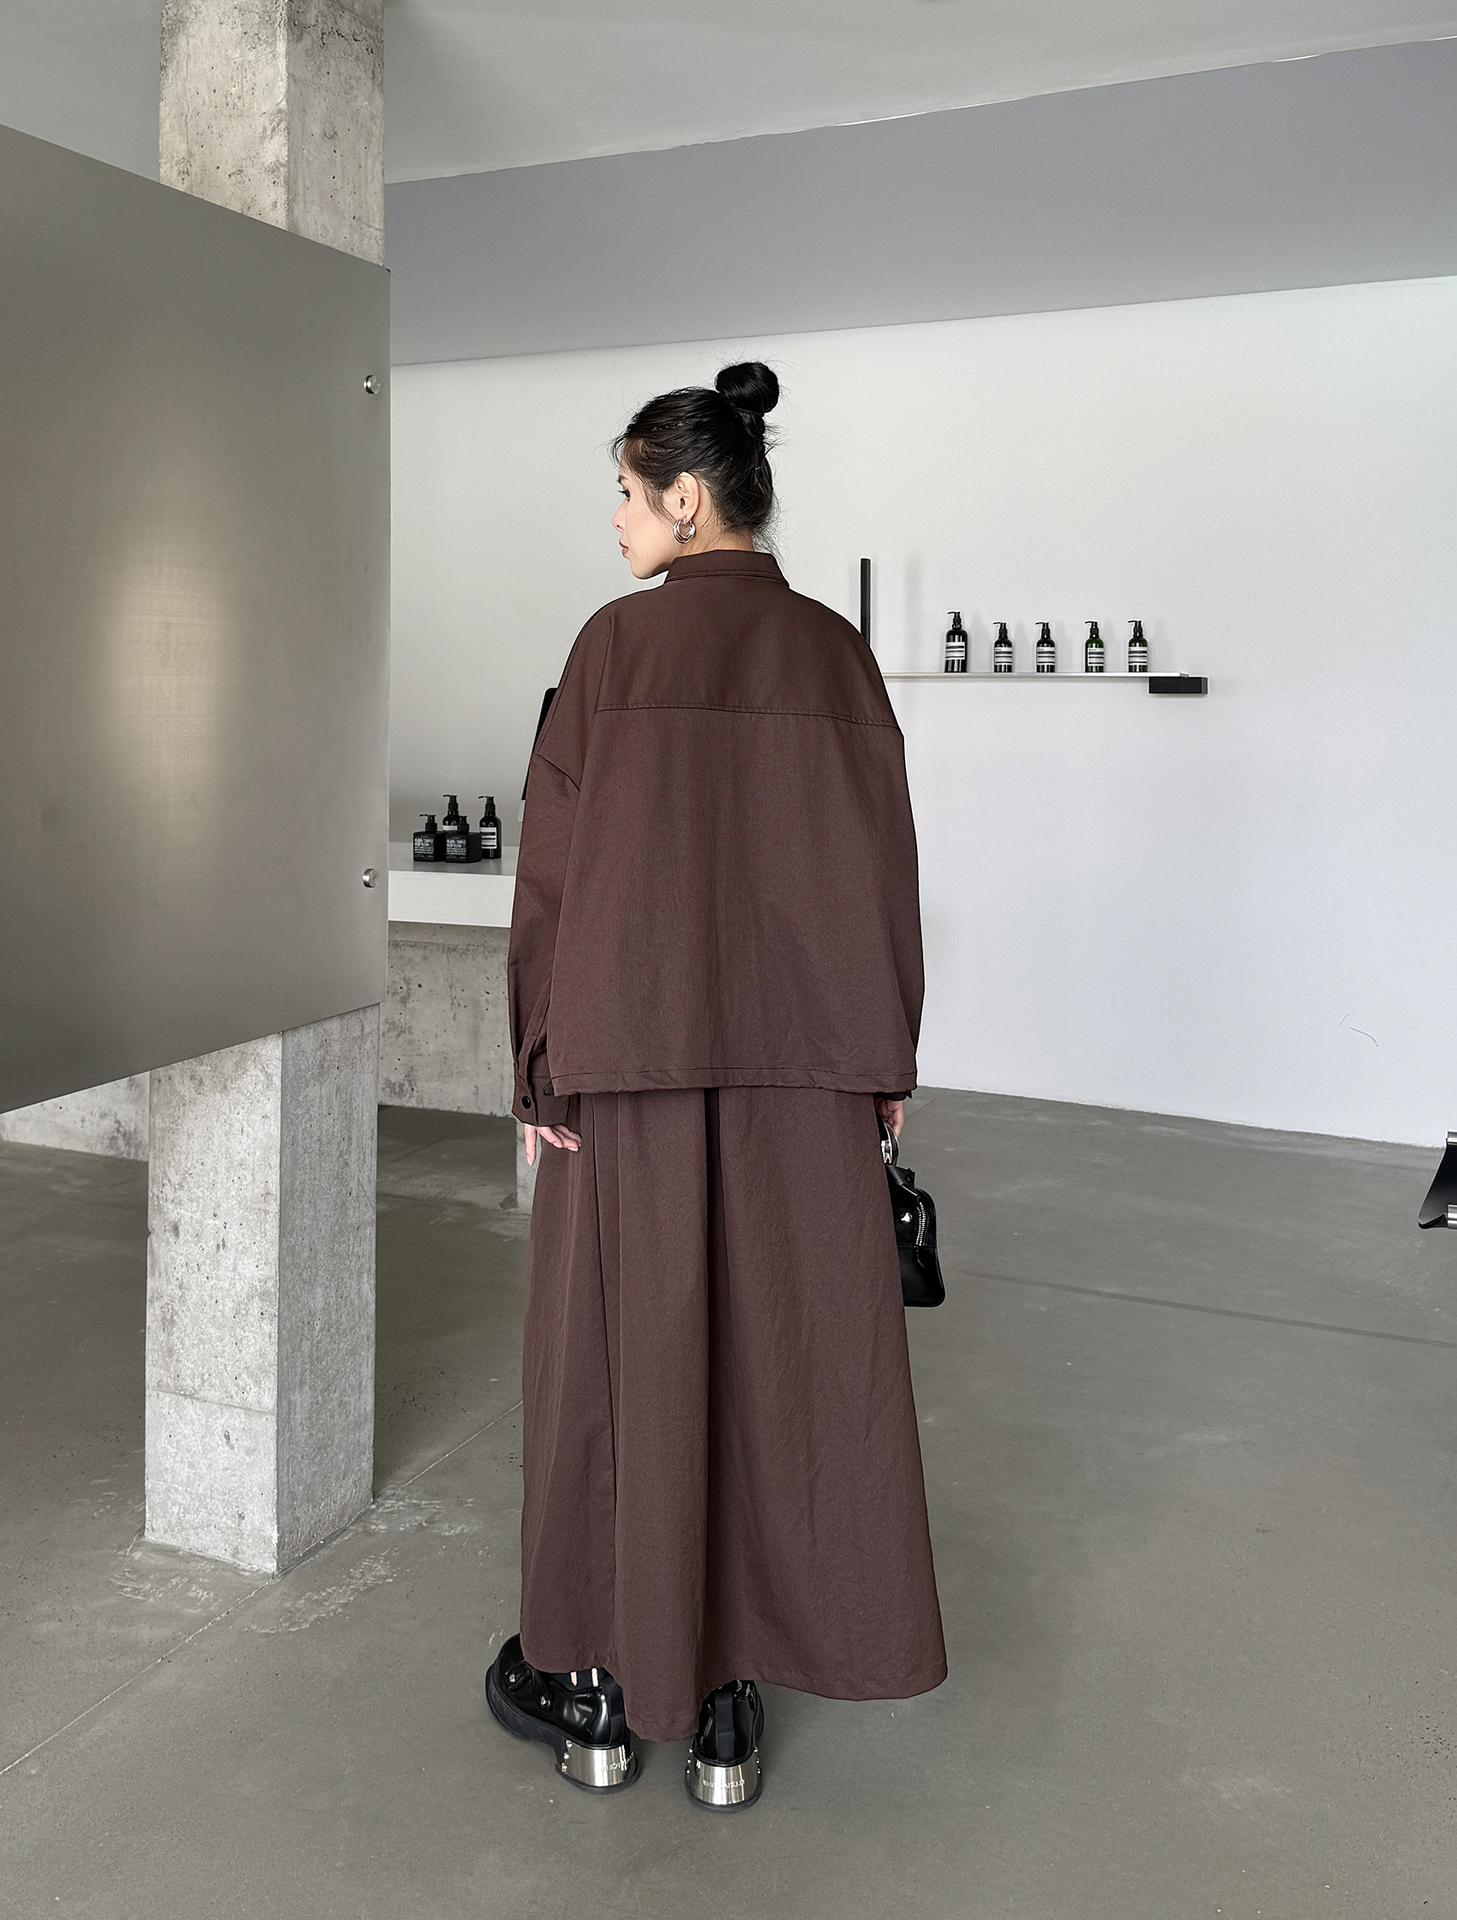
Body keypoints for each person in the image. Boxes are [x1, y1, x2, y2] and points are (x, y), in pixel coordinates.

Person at [485, 362, 946, 1810]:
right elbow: (879, 865)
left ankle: (605, 1692)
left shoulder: (612, 649)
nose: (617, 521)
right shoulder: (834, 655)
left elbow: (552, 877)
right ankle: (731, 1706)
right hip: (805, 1072)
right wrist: (882, 1061)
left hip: (624, 1064)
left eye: (627, 494)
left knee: (615, 1367)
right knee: (779, 1365)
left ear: (688, 497)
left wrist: (538, 1058)